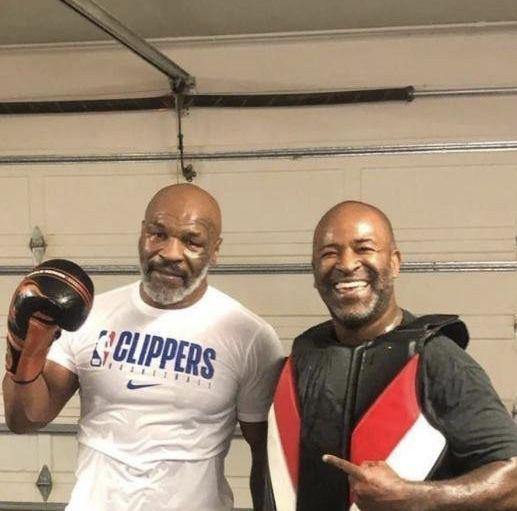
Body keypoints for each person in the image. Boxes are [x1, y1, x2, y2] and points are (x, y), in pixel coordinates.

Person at [3, 183, 284, 511]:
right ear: (142, 234)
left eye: (191, 241)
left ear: (215, 250)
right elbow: (24, 420)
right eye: (158, 234)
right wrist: (26, 349)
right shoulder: (93, 316)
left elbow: (266, 456)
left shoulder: (250, 337)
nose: (170, 253)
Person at [266, 200, 517, 511]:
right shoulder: (301, 360)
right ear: (314, 271)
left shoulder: (439, 361)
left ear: (395, 263)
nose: (347, 264)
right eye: (329, 253)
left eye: (364, 249)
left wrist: (413, 496)